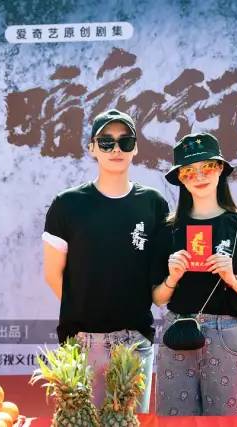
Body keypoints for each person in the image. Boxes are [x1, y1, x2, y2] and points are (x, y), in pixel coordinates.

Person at [42, 109, 169, 412]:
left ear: (135, 148)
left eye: (125, 142)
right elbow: (52, 274)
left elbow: (158, 281)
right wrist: (87, 314)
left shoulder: (153, 204)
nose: (116, 149)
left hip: (135, 342)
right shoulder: (67, 204)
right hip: (80, 342)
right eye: (106, 142)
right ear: (92, 148)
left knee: (129, 422)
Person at [152, 132, 237, 416]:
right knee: (175, 421)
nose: (199, 176)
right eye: (189, 171)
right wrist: (172, 277)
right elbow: (158, 297)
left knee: (230, 421)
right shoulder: (168, 229)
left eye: (207, 167)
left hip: (226, 333)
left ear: (220, 168)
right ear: (180, 178)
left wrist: (232, 279)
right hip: (178, 330)